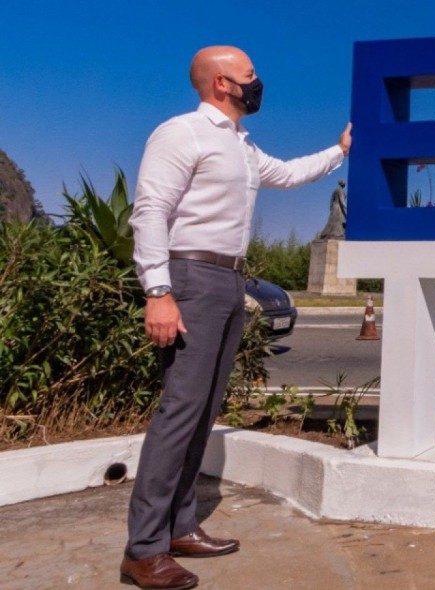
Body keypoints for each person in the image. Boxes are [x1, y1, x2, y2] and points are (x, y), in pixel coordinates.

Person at [122, 46, 351, 590]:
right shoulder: (182, 133)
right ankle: (143, 549)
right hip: (190, 276)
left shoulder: (242, 147)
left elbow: (291, 174)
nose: (258, 83)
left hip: (230, 281)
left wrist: (339, 150)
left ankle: (180, 527)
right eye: (250, 76)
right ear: (222, 83)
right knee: (181, 408)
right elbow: (150, 210)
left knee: (202, 410)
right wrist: (158, 290)